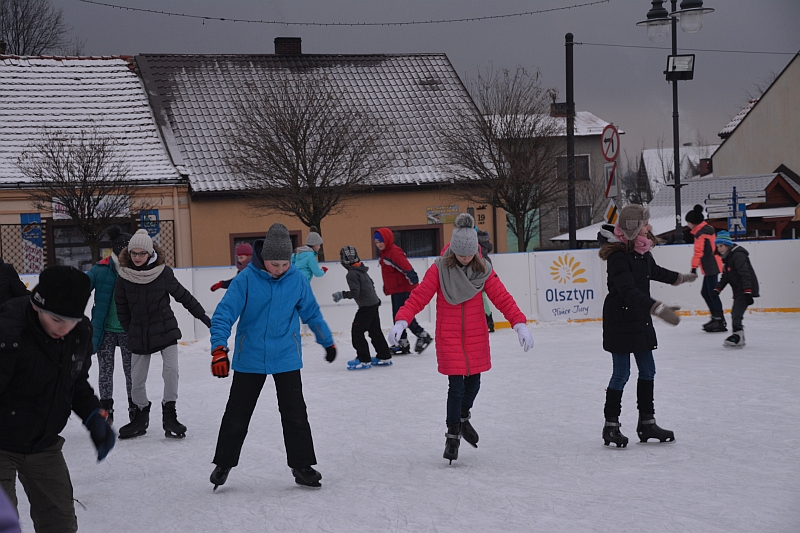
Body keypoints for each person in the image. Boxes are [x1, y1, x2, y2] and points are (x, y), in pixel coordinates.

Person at [389, 213, 534, 464]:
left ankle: (463, 417)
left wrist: (519, 323)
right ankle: (452, 437)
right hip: (450, 336)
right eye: (461, 255)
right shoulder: (440, 268)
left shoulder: (483, 269)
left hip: (476, 336)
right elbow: (419, 296)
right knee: (455, 388)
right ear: (454, 250)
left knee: (474, 385)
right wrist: (403, 319)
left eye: (469, 255)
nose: (465, 259)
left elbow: (502, 297)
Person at [208, 223, 337, 490]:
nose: (279, 270)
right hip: (250, 356)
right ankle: (224, 463)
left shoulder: (297, 279)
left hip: (286, 356)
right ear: (262, 258)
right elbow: (223, 315)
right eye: (273, 264)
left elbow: (311, 312)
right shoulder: (246, 279)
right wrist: (219, 349)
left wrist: (327, 341)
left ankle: (302, 466)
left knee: (295, 414)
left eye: (284, 265)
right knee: (237, 414)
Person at [0, 266, 115, 533]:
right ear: (37, 305)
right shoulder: (8, 333)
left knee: (60, 523)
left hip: (43, 442)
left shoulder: (79, 333)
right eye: (55, 319)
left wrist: (93, 416)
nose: (63, 328)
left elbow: (73, 381)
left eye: (71, 320)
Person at [598, 204, 697, 448]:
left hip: (639, 319)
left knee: (648, 371)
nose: (649, 227)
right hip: (620, 320)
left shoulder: (643, 253)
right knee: (622, 374)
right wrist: (659, 309)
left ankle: (647, 423)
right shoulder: (618, 258)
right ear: (633, 229)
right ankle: (611, 426)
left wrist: (680, 278)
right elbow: (628, 291)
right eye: (645, 223)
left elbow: (655, 271)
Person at [114, 229, 211, 439]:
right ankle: (140, 416)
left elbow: (183, 296)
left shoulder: (163, 273)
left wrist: (202, 316)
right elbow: (121, 308)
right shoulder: (123, 278)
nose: (137, 257)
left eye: (142, 253)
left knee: (171, 371)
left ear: (150, 254)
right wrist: (131, 329)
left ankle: (170, 415)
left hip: (165, 328)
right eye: (134, 253)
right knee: (137, 379)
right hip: (139, 332)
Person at [86, 226, 134, 424]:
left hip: (128, 329)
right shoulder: (101, 269)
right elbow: (81, 288)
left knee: (132, 371)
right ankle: (107, 410)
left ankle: (136, 409)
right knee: (105, 371)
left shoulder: (134, 270)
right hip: (105, 329)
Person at [332, 245, 392, 370]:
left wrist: (342, 295)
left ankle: (363, 359)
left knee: (357, 332)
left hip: (366, 307)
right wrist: (376, 299)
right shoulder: (362, 269)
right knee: (375, 331)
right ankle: (384, 355)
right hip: (373, 303)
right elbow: (371, 285)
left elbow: (355, 293)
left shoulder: (352, 274)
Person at [374, 228, 432, 354]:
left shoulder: (394, 252)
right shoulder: (384, 252)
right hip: (396, 289)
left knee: (402, 316)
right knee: (398, 316)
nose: (378, 244)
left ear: (387, 240)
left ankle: (422, 335)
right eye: (376, 242)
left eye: (381, 241)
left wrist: (415, 286)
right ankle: (403, 343)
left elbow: (407, 269)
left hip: (403, 289)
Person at [713, 231, 759, 348]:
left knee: (736, 314)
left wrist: (748, 291)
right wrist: (717, 289)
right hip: (740, 289)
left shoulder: (738, 255)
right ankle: (739, 336)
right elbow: (725, 276)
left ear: (727, 244)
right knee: (735, 313)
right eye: (718, 247)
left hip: (745, 289)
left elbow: (745, 273)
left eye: (721, 246)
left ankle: (738, 337)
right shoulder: (728, 257)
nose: (719, 249)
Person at [685, 205, 726, 332]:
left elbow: (699, 252)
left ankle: (719, 320)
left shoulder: (701, 234)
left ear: (693, 223)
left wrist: (693, 268)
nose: (687, 226)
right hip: (712, 264)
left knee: (712, 293)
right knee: (705, 292)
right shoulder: (708, 229)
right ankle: (716, 317)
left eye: (688, 223)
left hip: (711, 265)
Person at [476, 227, 495, 332]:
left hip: (481, 269)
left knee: (482, 296)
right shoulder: (485, 243)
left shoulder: (477, 245)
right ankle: (488, 321)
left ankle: (489, 320)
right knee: (482, 296)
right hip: (486, 267)